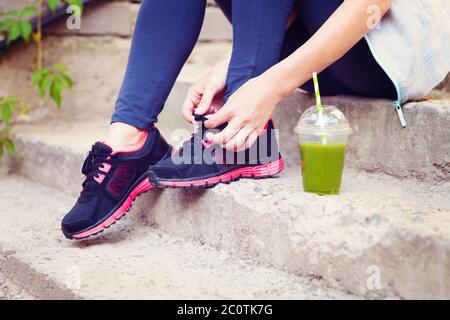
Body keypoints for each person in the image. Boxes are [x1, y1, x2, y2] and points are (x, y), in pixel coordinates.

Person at [61, 0, 449, 239]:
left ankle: (247, 139)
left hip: (383, 52)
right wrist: (235, 65)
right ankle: (130, 140)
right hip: (318, 43)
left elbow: (372, 4)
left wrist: (271, 85)